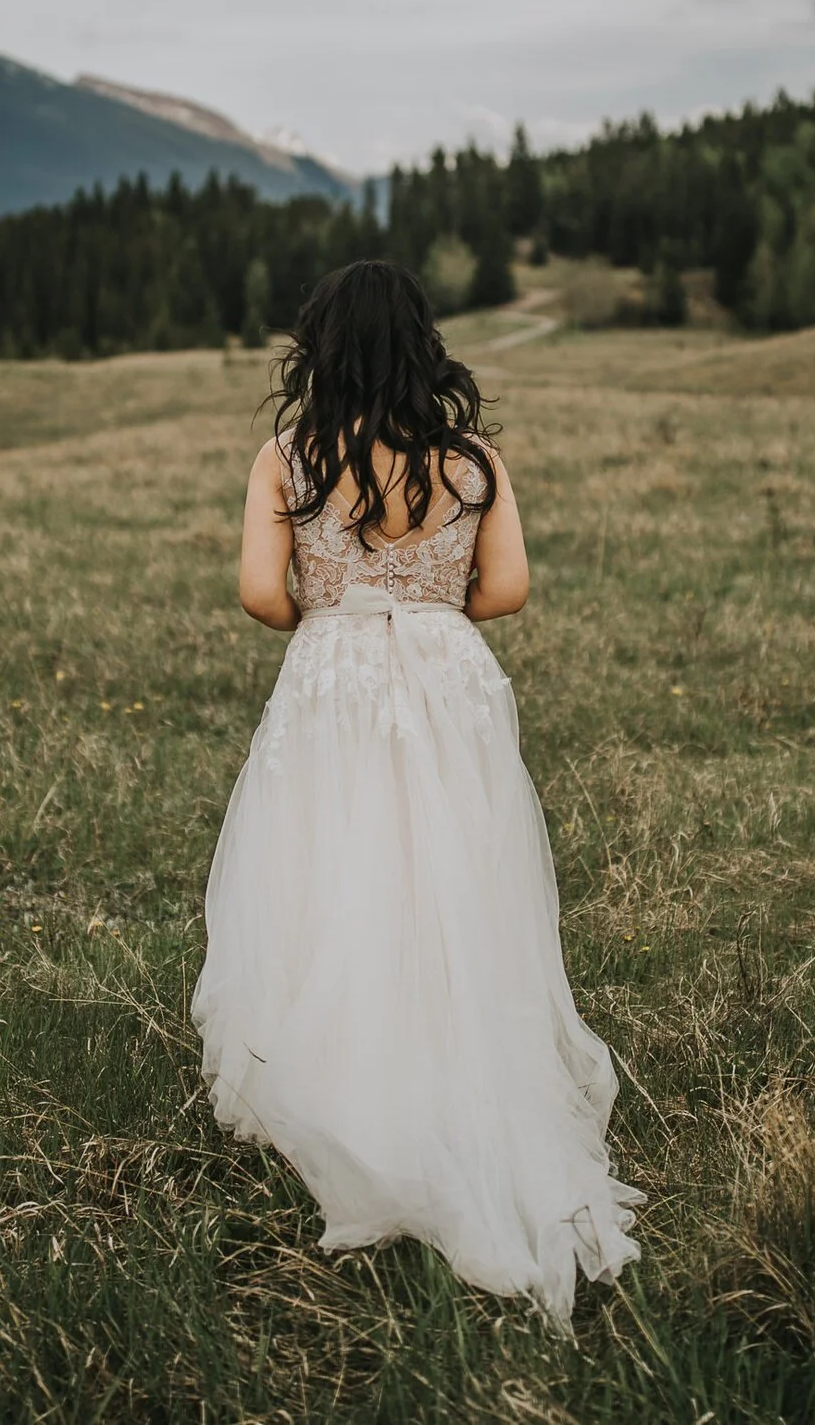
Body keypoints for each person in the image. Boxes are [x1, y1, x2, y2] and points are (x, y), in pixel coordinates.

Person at [193, 259, 642, 1326]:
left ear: (321, 346)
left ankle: (341, 1079)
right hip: (448, 680)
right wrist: (425, 607)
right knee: (449, 868)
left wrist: (339, 601)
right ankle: (462, 1064)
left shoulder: (287, 455)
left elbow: (262, 593)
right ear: (422, 346)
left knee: (333, 866)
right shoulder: (471, 460)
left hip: (335, 674)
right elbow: (510, 588)